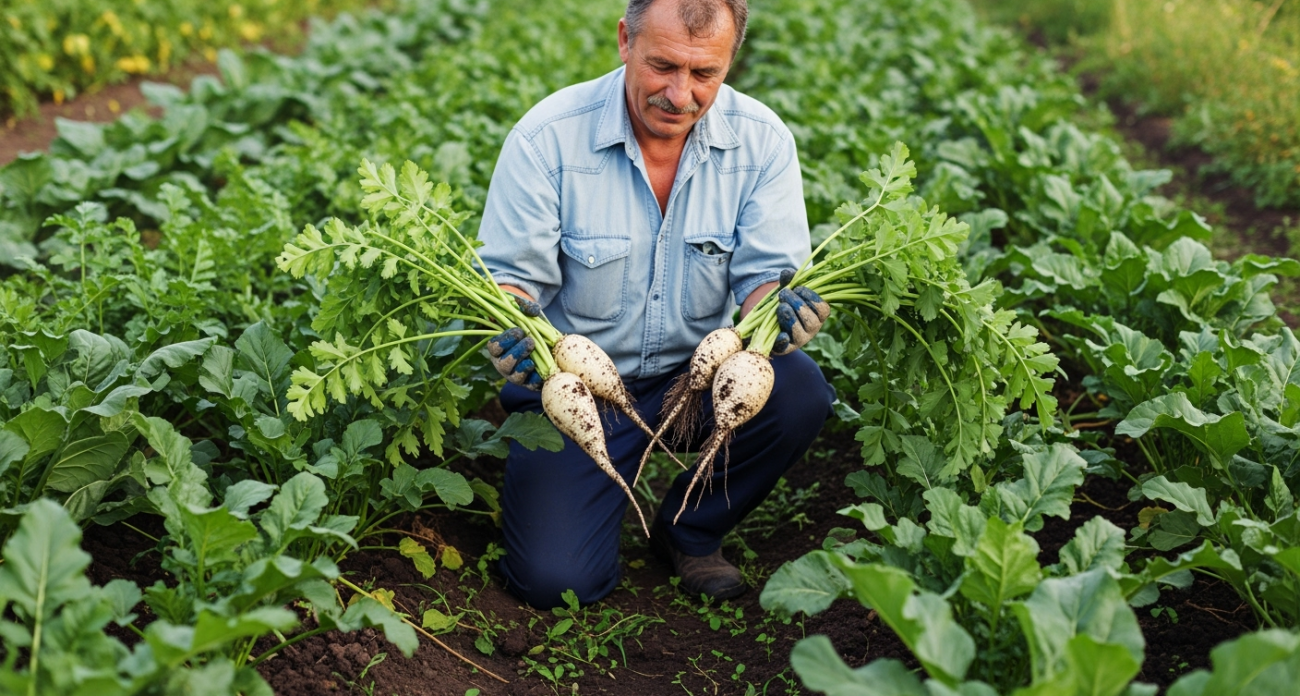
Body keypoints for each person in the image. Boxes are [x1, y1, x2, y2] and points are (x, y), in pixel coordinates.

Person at [476, 0, 834, 609]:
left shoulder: (762, 143)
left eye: (704, 73)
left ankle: (689, 528)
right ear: (625, 40)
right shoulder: (548, 138)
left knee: (798, 390)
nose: (679, 94)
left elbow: (765, 280)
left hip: (696, 380)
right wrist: (510, 328)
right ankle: (580, 489)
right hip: (579, 390)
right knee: (556, 581)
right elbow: (511, 281)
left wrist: (783, 311)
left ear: (730, 61)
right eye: (662, 66)